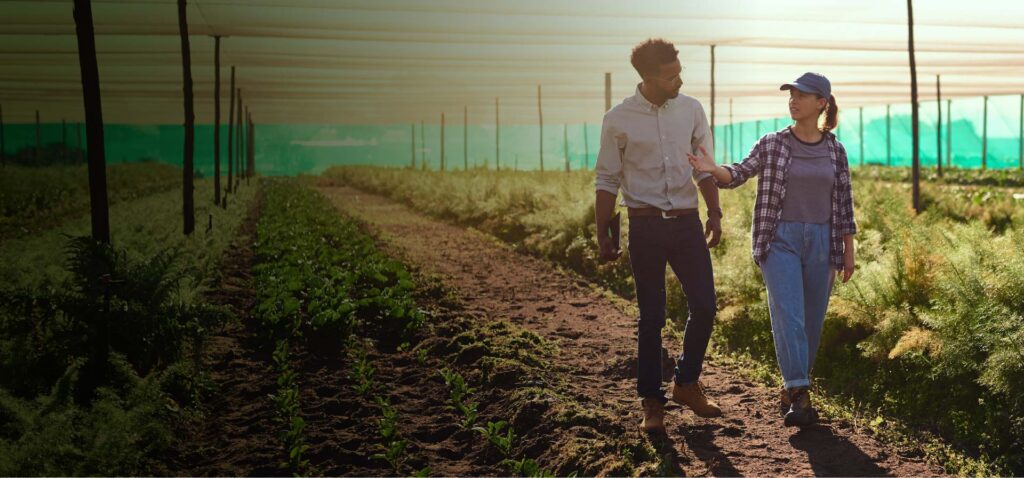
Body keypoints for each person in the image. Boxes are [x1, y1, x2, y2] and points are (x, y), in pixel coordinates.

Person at [687, 72, 857, 427]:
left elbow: (844, 205)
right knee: (789, 316)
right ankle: (800, 394)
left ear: (821, 103)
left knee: (811, 324)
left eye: (802, 95)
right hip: (779, 239)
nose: (793, 100)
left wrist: (848, 250)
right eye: (791, 94)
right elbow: (740, 173)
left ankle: (792, 387)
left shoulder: (835, 151)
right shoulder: (772, 143)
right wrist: (713, 170)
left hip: (823, 242)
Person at [594, 38, 724, 434]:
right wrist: (604, 233)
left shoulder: (691, 110)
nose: (679, 80)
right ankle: (652, 403)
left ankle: (686, 383)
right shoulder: (618, 119)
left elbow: (704, 167)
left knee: (704, 305)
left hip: (686, 223)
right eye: (671, 76)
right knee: (652, 317)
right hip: (645, 225)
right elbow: (607, 179)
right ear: (649, 77)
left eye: (679, 71)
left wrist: (715, 211)